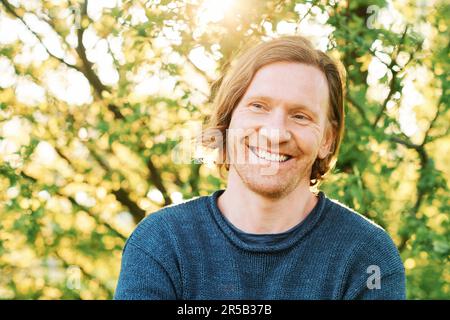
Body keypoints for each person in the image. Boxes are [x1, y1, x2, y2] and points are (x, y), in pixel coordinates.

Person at [114, 36, 406, 300]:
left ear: (327, 140)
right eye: (258, 106)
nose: (275, 133)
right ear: (228, 121)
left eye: (301, 116)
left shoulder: (368, 256)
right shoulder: (161, 242)